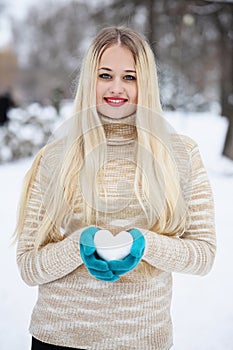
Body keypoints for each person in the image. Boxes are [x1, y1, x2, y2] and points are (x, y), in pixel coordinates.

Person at [15, 26, 216, 350]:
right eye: (105, 75)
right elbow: (28, 266)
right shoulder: (55, 157)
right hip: (58, 338)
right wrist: (78, 244)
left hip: (142, 340)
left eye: (130, 77)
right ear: (89, 80)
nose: (116, 88)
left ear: (145, 82)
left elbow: (203, 256)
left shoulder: (181, 154)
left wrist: (145, 243)